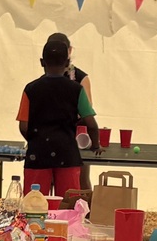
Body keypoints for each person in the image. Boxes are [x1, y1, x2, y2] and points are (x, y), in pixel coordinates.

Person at [16, 31, 99, 198]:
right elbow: (91, 123)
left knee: (34, 203)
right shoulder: (76, 90)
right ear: (67, 62)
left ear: (42, 62)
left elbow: (23, 126)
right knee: (68, 204)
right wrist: (95, 145)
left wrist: (36, 140)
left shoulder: (31, 89)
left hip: (37, 155)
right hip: (67, 153)